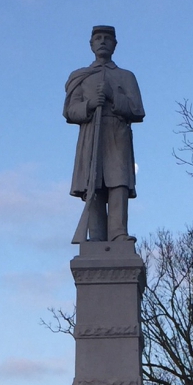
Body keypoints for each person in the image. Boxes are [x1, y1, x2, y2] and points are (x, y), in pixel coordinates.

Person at [64, 26, 144, 241]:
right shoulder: (80, 77)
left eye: (107, 39)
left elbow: (137, 110)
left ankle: (118, 234)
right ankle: (96, 235)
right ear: (91, 44)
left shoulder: (126, 76)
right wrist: (89, 105)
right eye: (97, 38)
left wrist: (112, 97)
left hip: (117, 133)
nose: (102, 42)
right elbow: (70, 111)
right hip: (91, 133)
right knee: (93, 185)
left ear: (115, 45)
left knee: (118, 182)